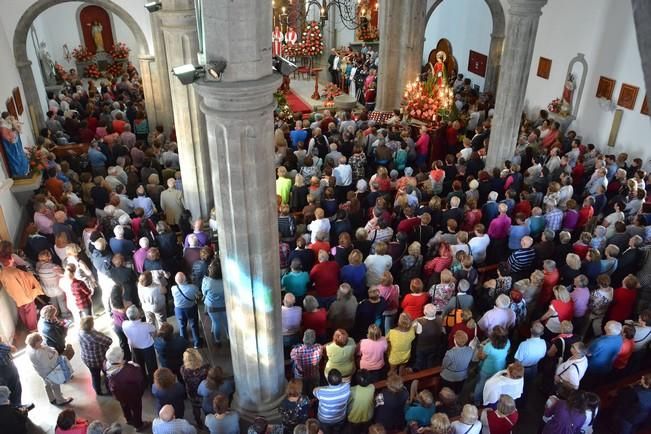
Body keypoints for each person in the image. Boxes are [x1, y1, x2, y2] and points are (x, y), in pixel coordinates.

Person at [0, 263, 44, 331]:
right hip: (24, 294)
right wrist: (29, 273)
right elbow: (27, 276)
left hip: (15, 295)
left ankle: (27, 325)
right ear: (9, 260)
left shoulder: (2, 273)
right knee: (30, 311)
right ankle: (33, 328)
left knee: (22, 310)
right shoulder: (13, 271)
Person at [473, 326, 510, 405]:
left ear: (494, 337)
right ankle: (488, 398)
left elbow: (481, 357)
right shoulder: (508, 343)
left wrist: (480, 347)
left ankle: (476, 400)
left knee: (480, 385)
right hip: (500, 368)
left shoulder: (489, 346)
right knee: (493, 384)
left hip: (487, 370)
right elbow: (507, 352)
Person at [79, 316, 112, 396]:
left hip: (87, 358)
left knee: (95, 376)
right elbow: (109, 341)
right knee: (107, 373)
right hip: (99, 359)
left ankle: (98, 391)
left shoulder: (80, 332)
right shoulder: (95, 336)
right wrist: (99, 333)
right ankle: (109, 389)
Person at [313, 369, 350, 433]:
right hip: (340, 417)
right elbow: (346, 381)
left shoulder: (321, 392)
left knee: (326, 431)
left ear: (328, 380)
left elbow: (314, 391)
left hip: (325, 419)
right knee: (337, 431)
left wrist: (324, 387)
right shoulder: (347, 387)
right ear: (341, 379)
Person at [180, 349, 209, 428]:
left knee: (195, 408)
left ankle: (198, 422)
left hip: (191, 392)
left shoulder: (183, 369)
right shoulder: (204, 370)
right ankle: (209, 420)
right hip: (202, 393)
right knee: (206, 407)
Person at [202, 260, 229, 347]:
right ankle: (229, 338)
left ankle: (217, 341)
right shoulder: (226, 280)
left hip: (212, 306)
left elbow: (204, 293)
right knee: (226, 322)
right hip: (224, 304)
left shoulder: (206, 281)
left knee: (216, 322)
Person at [171, 272, 202, 348]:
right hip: (191, 309)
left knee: (182, 326)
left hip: (179, 310)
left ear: (176, 281)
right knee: (194, 325)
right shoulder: (193, 287)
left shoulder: (173, 288)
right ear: (185, 279)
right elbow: (199, 295)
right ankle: (197, 343)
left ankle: (184, 344)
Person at [290, 329, 323, 396]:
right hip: (314, 375)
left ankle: (302, 396)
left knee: (293, 364)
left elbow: (292, 357)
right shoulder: (319, 348)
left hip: (301, 376)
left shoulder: (296, 350)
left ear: (303, 338)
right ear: (314, 339)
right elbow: (320, 347)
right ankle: (313, 398)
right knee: (314, 390)